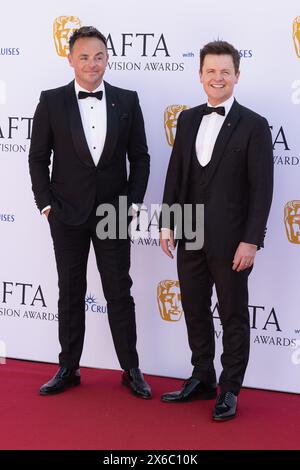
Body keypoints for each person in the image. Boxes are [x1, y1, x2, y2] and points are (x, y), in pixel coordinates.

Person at [29, 26, 151, 399]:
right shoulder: (51, 101)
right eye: (83, 56)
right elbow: (37, 158)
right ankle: (68, 367)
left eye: (98, 56)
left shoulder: (127, 100)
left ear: (107, 58)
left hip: (113, 213)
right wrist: (47, 204)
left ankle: (131, 369)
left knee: (119, 292)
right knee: (70, 291)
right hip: (66, 214)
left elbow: (140, 158)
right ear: (70, 59)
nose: (92, 63)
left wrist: (130, 204)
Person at [160, 40, 273, 420]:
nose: (218, 77)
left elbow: (262, 188)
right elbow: (176, 175)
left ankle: (230, 389)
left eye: (225, 71)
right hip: (189, 231)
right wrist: (168, 222)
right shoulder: (188, 119)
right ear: (200, 76)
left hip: (232, 240)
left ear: (237, 76)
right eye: (211, 71)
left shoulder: (255, 125)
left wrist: (251, 240)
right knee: (193, 308)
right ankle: (202, 376)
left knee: (233, 315)